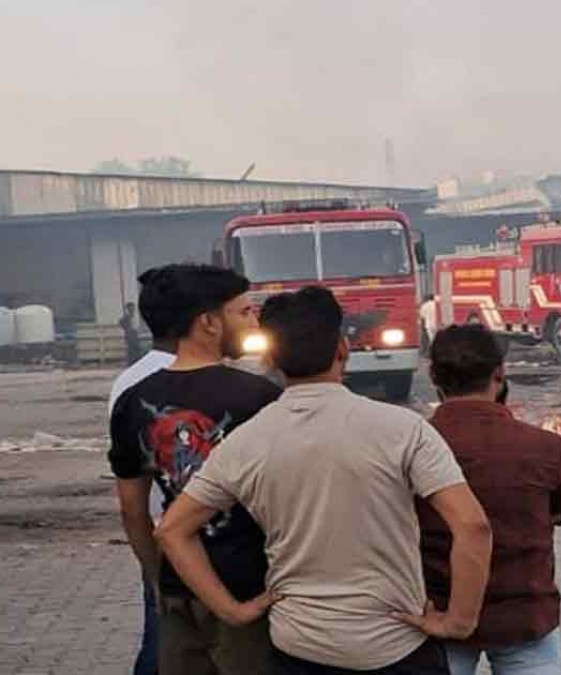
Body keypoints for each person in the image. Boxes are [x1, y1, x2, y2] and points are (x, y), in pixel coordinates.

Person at [156, 286, 493, 674]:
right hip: (395, 645)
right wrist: (459, 621)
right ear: (343, 350)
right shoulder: (403, 429)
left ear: (270, 359)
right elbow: (473, 526)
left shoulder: (244, 443)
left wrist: (231, 611)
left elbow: (172, 531)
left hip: (300, 648)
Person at [108, 264, 281, 675]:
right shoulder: (259, 397)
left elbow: (132, 510)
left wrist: (158, 578)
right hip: (249, 590)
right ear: (208, 323)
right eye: (243, 312)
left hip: (178, 590)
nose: (253, 322)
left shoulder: (132, 400)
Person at [419, 325, 561, 675]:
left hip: (437, 614)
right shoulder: (548, 448)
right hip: (525, 616)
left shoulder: (412, 447)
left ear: (433, 376)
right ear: (500, 373)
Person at [108, 271, 179, 675]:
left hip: (157, 530)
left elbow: (130, 497)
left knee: (162, 636)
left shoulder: (128, 380)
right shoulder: (218, 383)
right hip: (193, 534)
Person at [120, 301, 145, 366]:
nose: (133, 310)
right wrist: (128, 329)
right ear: (128, 309)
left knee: (137, 349)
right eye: (131, 308)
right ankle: (131, 362)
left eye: (133, 308)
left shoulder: (134, 316)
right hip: (129, 335)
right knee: (131, 349)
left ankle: (137, 361)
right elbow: (121, 323)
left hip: (135, 334)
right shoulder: (126, 317)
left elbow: (137, 326)